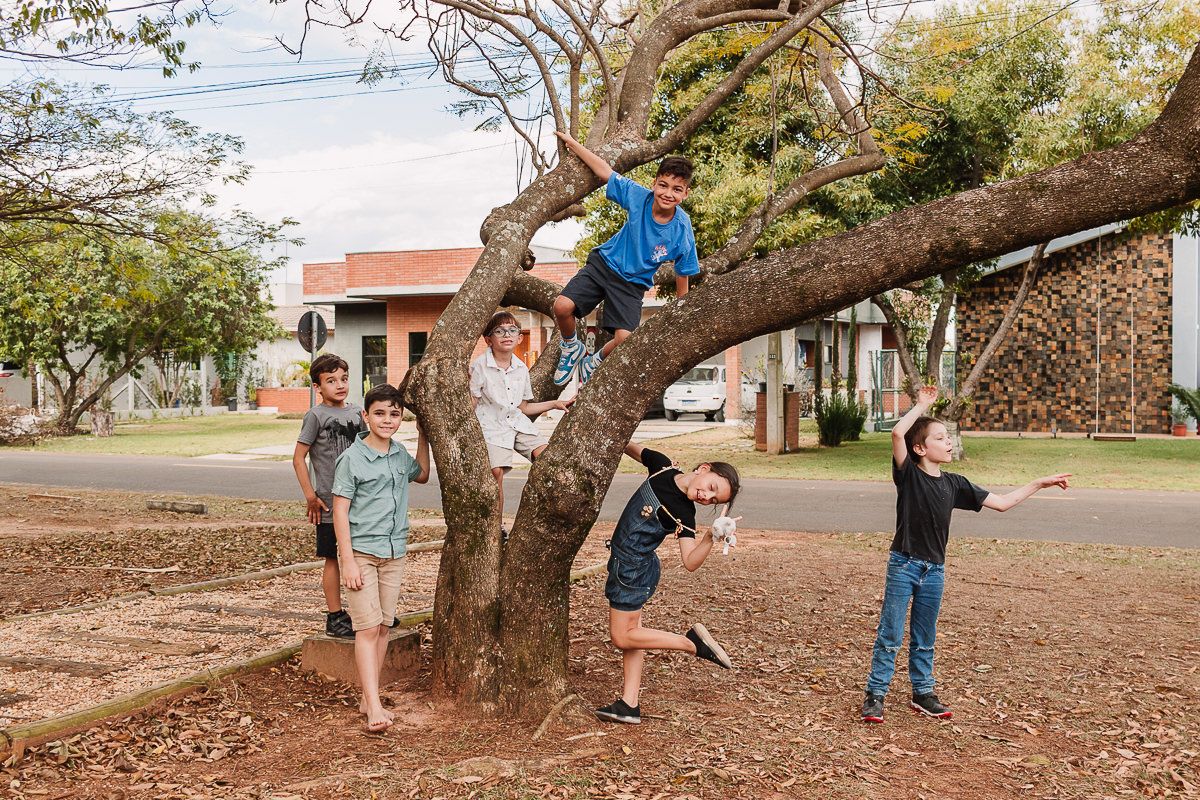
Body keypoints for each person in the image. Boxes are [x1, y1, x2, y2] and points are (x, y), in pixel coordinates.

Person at [861, 385, 1071, 724]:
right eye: (940, 438)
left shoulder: (955, 483)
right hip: (904, 565)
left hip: (935, 571)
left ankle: (923, 692)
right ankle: (876, 694)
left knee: (924, 637)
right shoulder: (909, 475)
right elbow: (898, 432)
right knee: (891, 634)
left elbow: (1002, 504)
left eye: (947, 438)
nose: (947, 443)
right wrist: (921, 405)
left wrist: (1038, 483)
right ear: (920, 448)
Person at [594, 442, 741, 725]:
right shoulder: (662, 465)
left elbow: (690, 562)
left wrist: (711, 536)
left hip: (633, 571)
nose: (706, 497)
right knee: (633, 634)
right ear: (703, 469)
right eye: (710, 487)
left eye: (713, 500)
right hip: (631, 567)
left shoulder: (684, 513)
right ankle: (629, 704)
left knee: (622, 637)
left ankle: (691, 644)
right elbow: (626, 444)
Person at [552, 130, 700, 386]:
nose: (668, 193)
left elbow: (683, 269)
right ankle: (571, 348)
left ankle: (593, 361)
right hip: (604, 265)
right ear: (655, 183)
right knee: (562, 307)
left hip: (632, 283)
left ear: (685, 194)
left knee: (624, 339)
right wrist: (573, 144)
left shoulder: (682, 228)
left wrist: (681, 308)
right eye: (663, 185)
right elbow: (605, 171)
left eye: (677, 189)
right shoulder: (638, 196)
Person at [331, 383, 431, 733]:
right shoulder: (351, 460)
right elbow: (339, 511)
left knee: (385, 625)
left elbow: (421, 474)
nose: (387, 420)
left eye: (394, 414)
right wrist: (348, 561)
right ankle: (373, 703)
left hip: (394, 552)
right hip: (361, 553)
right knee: (367, 627)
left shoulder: (398, 454)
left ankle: (368, 694)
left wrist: (425, 436)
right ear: (365, 416)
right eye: (379, 413)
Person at [470, 311, 573, 537]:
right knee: (495, 472)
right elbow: (472, 401)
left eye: (512, 330)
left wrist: (554, 404)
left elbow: (524, 408)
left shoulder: (521, 368)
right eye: (499, 331)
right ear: (489, 339)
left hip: (517, 424)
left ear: (519, 337)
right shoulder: (479, 366)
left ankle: (545, 520)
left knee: (548, 459)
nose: (506, 334)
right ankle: (497, 527)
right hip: (491, 427)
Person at [292, 353, 365, 639]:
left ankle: (367, 612)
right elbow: (299, 458)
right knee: (333, 558)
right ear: (317, 387)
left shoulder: (358, 414)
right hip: (329, 503)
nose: (339, 385)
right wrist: (311, 496)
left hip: (360, 501)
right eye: (331, 380)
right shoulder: (315, 415)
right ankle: (335, 616)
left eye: (344, 379)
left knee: (364, 555)